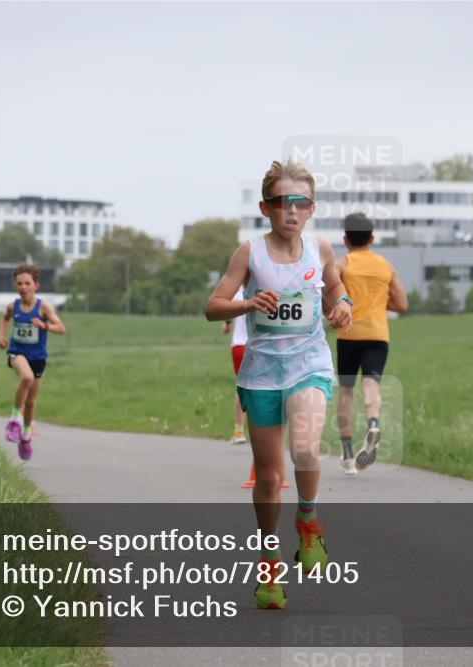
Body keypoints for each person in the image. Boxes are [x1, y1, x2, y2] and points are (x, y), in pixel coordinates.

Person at [205, 160, 352, 610]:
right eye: (283, 202)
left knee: (305, 448)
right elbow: (213, 306)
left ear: (311, 209)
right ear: (266, 208)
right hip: (262, 371)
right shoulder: (249, 253)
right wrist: (247, 302)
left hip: (309, 362)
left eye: (300, 203)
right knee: (269, 477)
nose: (292, 211)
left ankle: (307, 521)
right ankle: (269, 558)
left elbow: (334, 286)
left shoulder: (320, 249)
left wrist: (342, 304)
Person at [334, 212, 408, 475]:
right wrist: (379, 301)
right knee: (371, 383)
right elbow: (402, 304)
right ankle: (373, 423)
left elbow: (330, 295)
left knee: (345, 391)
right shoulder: (386, 266)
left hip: (349, 335)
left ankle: (347, 455)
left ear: (345, 239)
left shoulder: (342, 264)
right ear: (372, 238)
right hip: (378, 335)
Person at [0, 264, 66, 460]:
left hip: (38, 357)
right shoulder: (13, 306)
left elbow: (61, 328)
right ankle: (13, 421)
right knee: (26, 378)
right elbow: (5, 319)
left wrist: (43, 324)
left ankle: (26, 436)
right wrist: (1, 336)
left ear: (36, 285)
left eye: (27, 283)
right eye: (19, 283)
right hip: (17, 352)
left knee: (31, 402)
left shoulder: (43, 306)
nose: (23, 287)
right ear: (15, 285)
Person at [222, 287, 249, 445]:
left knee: (241, 388)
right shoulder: (263, 287)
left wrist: (226, 324)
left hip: (239, 345)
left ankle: (239, 430)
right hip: (258, 344)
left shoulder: (236, 292)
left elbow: (228, 313)